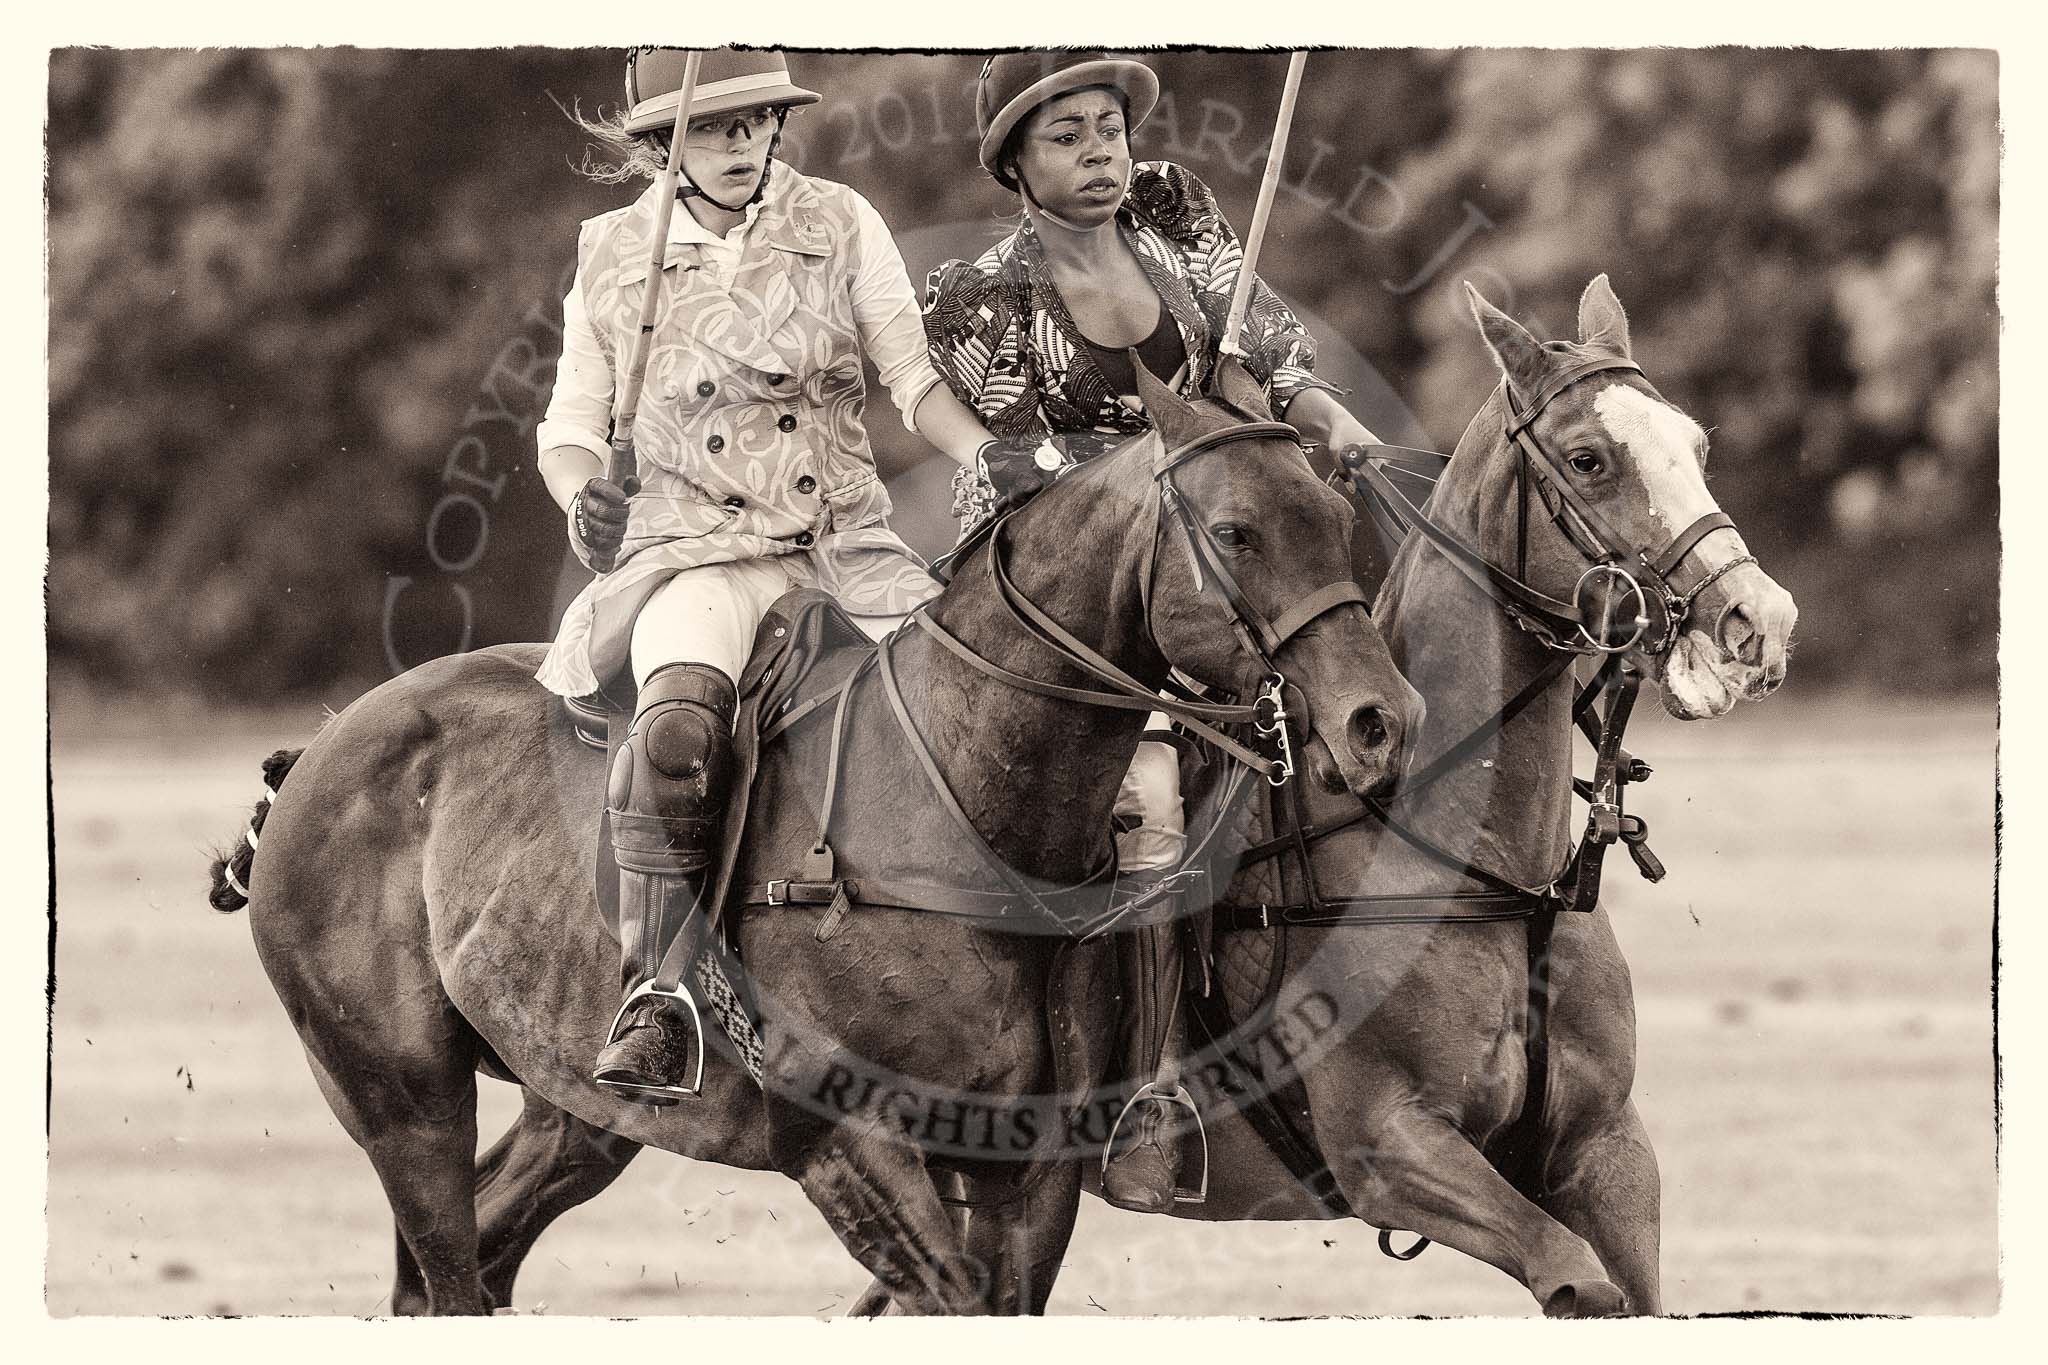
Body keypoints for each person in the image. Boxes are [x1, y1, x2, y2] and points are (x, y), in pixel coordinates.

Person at [919, 51, 1389, 1211]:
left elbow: (1275, 361)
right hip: (1072, 613)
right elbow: (1015, 468)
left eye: (1106, 127)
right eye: (1066, 135)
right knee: (1149, 805)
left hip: (1221, 571)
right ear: (1014, 164)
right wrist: (1178, 467)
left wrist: (1332, 424)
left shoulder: (1176, 217)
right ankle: (1149, 1089)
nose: (1100, 152)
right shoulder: (977, 296)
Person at [535, 48, 994, 1104]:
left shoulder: (837, 218)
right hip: (692, 550)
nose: (740, 146)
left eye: (754, 125)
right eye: (713, 129)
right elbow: (569, 425)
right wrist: (578, 496)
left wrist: (989, 456)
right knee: (679, 730)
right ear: (662, 143)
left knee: (973, 715)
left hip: (844, 547)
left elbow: (912, 376)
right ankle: (659, 993)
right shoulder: (612, 251)